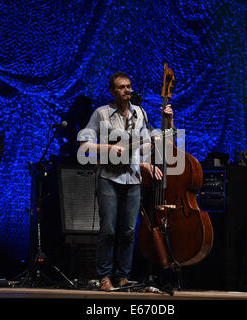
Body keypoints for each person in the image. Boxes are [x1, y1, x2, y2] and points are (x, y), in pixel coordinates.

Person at [78, 71, 173, 291]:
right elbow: (84, 145)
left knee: (129, 231)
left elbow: (158, 141)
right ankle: (104, 277)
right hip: (109, 178)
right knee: (109, 230)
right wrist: (109, 148)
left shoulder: (140, 113)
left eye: (129, 86)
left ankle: (122, 276)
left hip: (132, 180)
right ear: (112, 91)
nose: (127, 90)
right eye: (121, 87)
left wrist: (168, 120)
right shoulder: (101, 114)